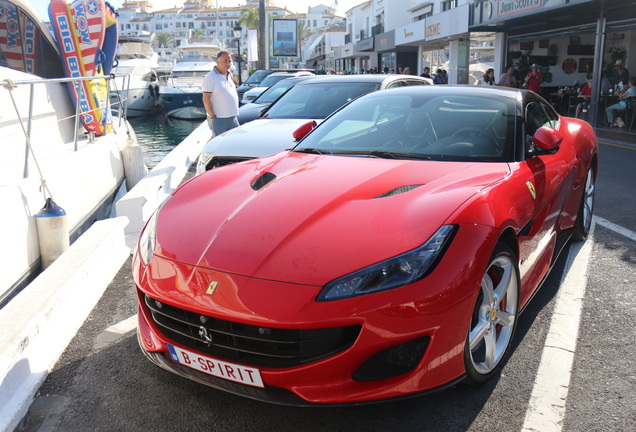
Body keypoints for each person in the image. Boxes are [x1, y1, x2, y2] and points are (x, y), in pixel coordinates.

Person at [202, 51, 240, 136]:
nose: (228, 63)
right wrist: (213, 117)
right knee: (220, 146)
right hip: (219, 119)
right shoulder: (210, 77)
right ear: (217, 61)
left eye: (229, 61)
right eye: (225, 60)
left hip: (232, 117)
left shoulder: (229, 75)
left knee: (235, 144)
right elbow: (206, 99)